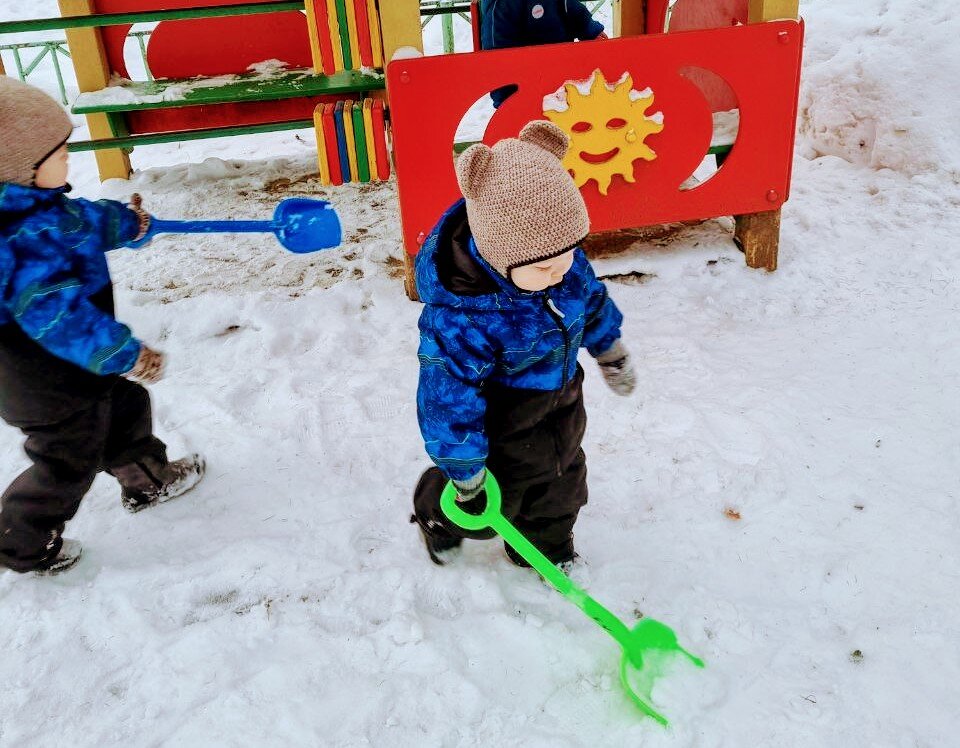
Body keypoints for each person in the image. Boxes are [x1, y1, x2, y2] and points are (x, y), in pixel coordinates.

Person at [0, 77, 204, 576]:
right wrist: (124, 353)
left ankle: (146, 477)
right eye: (58, 151)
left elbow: (81, 222)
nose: (68, 157)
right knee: (68, 459)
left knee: (125, 404)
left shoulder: (38, 207)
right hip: (42, 377)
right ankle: (20, 543)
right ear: (19, 167)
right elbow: (60, 318)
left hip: (71, 367)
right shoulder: (19, 241)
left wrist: (127, 224)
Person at [411, 120, 635, 569]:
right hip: (501, 419)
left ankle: (547, 551)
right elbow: (446, 398)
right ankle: (437, 510)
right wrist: (466, 471)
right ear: (497, 253)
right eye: (540, 266)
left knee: (562, 481)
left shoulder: (562, 264)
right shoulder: (464, 317)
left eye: (566, 255)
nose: (557, 272)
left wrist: (609, 348)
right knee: (490, 507)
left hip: (563, 399)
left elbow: (589, 301)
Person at [480, 0, 608, 107]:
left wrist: (590, 29)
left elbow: (570, 8)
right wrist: (506, 103)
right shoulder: (502, 5)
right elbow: (498, 57)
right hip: (525, 92)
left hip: (561, 81)